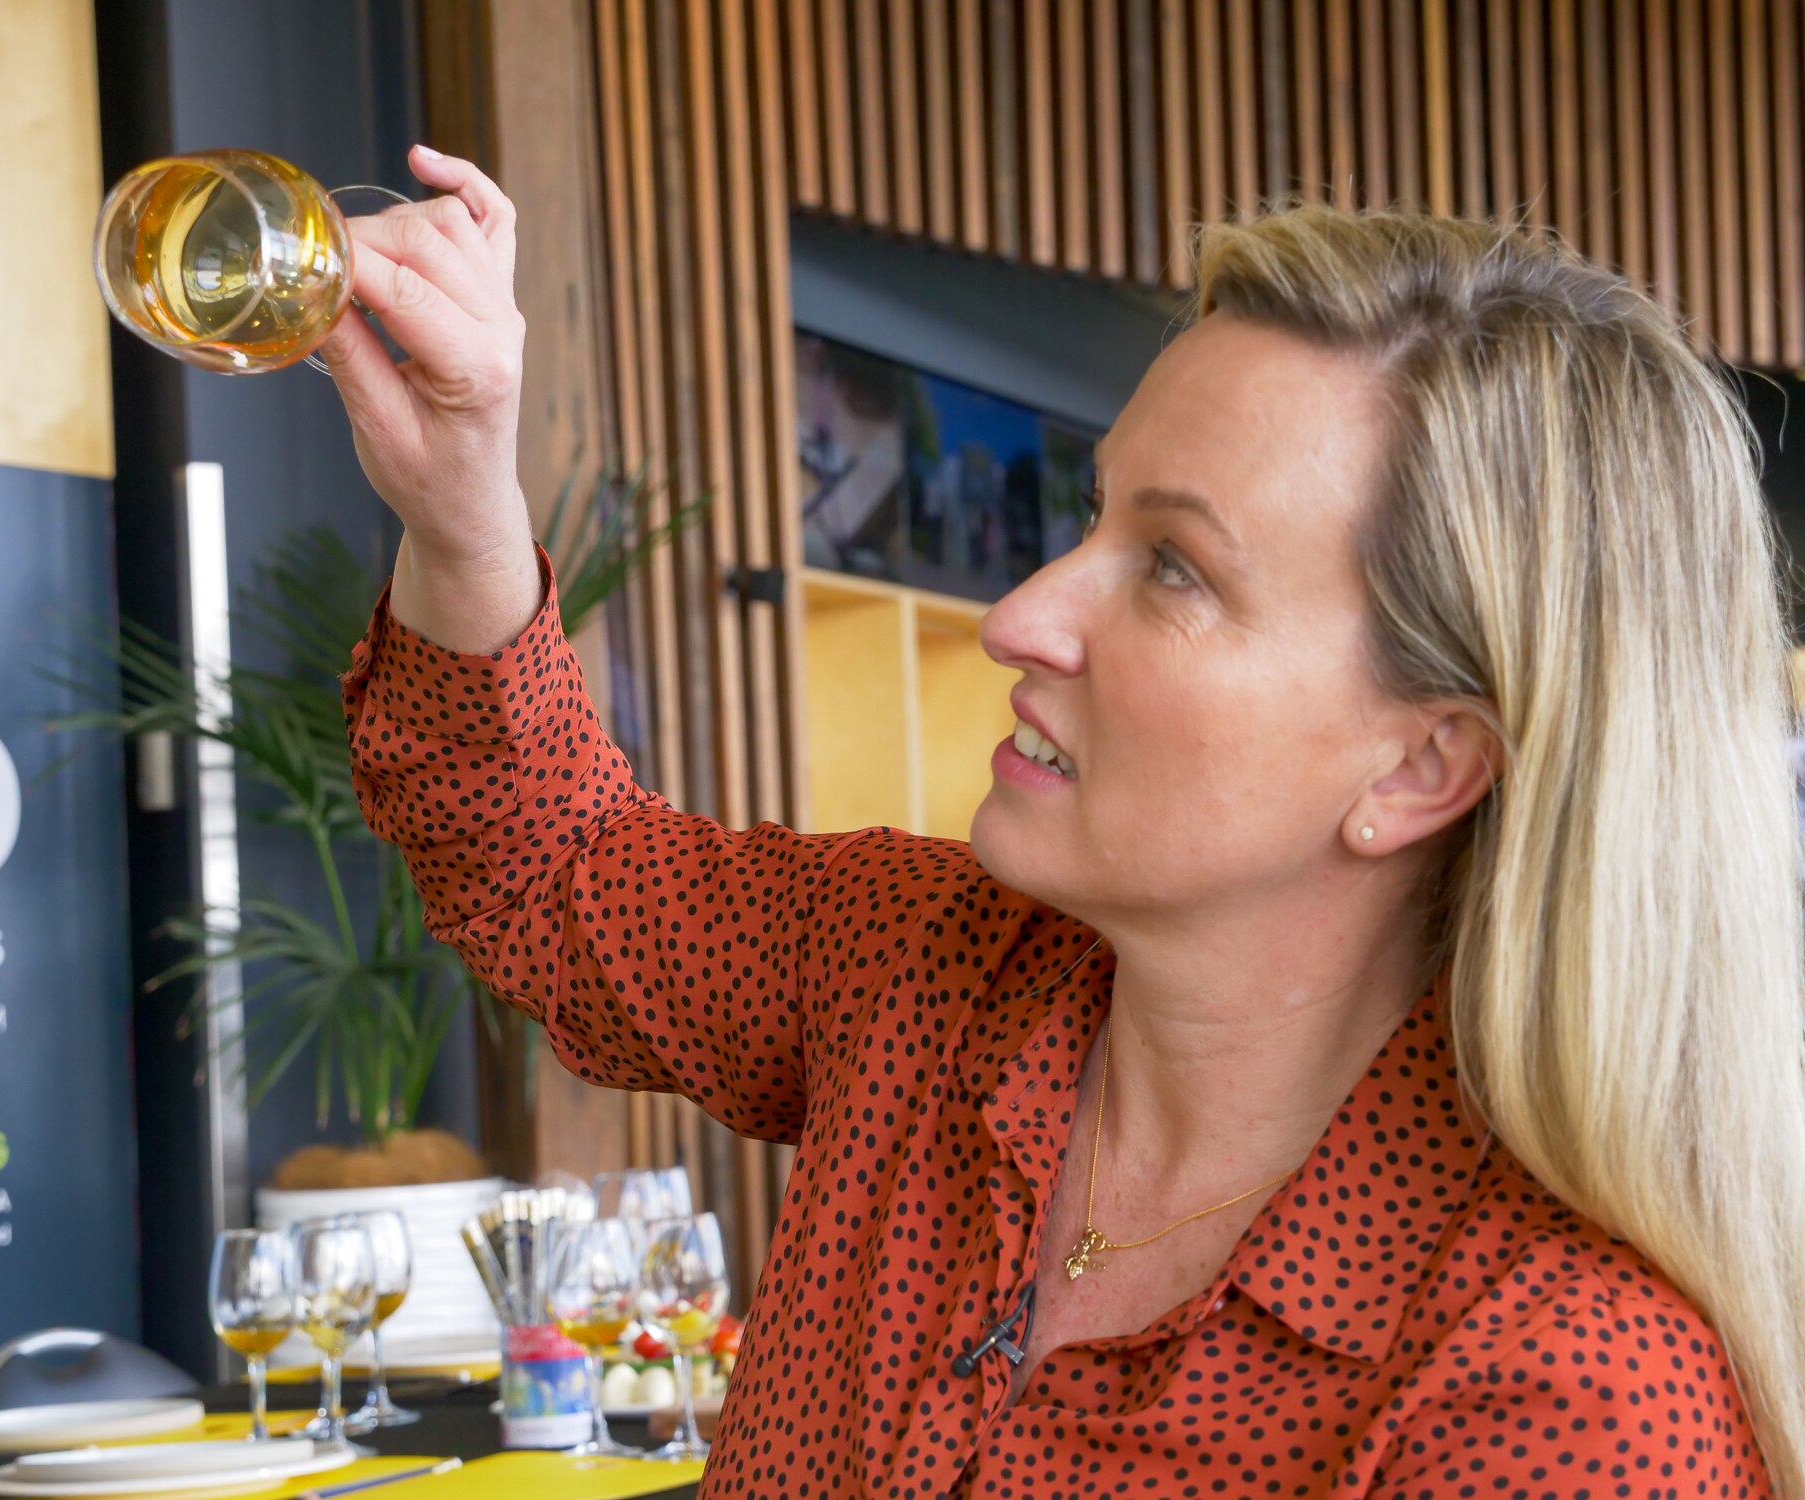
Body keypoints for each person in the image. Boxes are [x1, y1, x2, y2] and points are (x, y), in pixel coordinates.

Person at [322, 144, 1805, 1497]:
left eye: (1174, 570)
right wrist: (463, 508)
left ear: (1420, 769)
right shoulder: (931, 969)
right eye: (1096, 519)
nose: (1019, 616)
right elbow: (560, 873)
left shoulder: (1570, 1402)